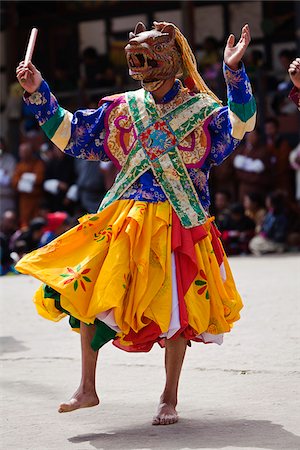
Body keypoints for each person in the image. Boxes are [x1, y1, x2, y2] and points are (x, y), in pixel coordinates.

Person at [15, 22, 256, 425]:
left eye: (148, 55)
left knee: (177, 311)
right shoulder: (123, 107)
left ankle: (168, 397)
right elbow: (72, 135)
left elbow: (240, 125)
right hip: (124, 217)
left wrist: (234, 73)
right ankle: (86, 387)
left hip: (180, 219)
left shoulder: (202, 112)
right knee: (91, 291)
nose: (138, 62)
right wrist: (38, 90)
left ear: (171, 61)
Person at [233, 128, 273, 202]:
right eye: (248, 135)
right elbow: (237, 171)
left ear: (258, 137)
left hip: (257, 187)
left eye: (253, 135)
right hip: (243, 187)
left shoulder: (264, 151)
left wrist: (244, 167)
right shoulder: (242, 150)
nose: (250, 137)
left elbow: (261, 171)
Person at [12, 141, 45, 227]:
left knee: (37, 222)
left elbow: (39, 179)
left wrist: (24, 178)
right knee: (24, 222)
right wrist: (27, 182)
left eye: (25, 152)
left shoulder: (38, 163)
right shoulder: (19, 166)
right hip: (24, 200)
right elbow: (14, 182)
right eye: (21, 152)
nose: (23, 154)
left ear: (30, 152)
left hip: (36, 199)